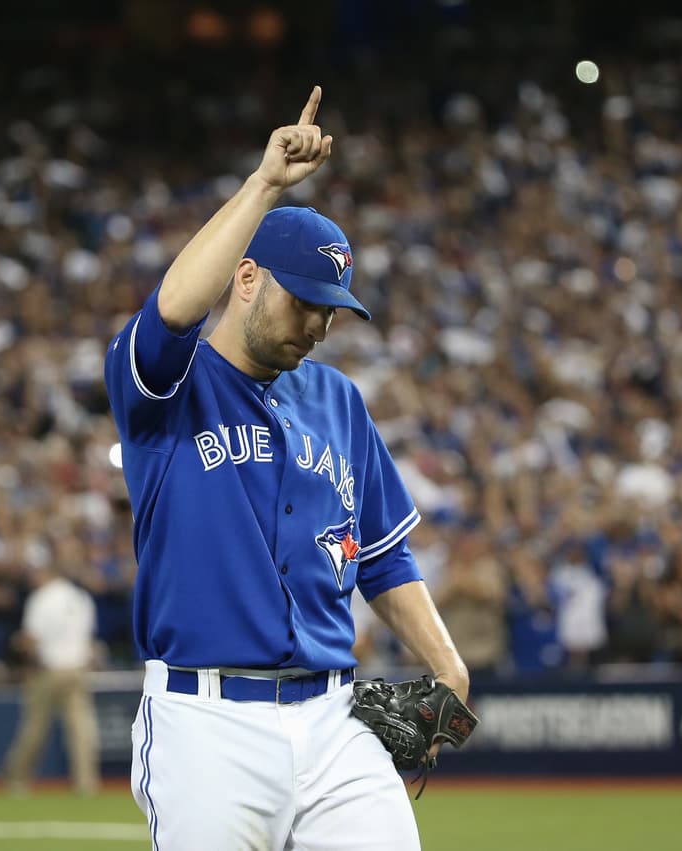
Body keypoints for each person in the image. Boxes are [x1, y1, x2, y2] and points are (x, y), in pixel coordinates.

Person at [103, 86, 470, 850]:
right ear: (246, 279)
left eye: (332, 307)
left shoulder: (338, 400)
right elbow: (173, 309)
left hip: (336, 718)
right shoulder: (167, 390)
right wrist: (264, 183)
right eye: (304, 300)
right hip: (207, 722)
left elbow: (384, 556)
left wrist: (448, 667)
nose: (321, 323)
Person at [1, 560, 100, 796]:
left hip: (48, 669)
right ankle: (86, 782)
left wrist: (16, 645)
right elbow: (89, 637)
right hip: (77, 668)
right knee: (81, 729)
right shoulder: (81, 597)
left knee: (34, 727)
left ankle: (17, 779)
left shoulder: (42, 598)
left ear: (46, 573)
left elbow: (30, 639)